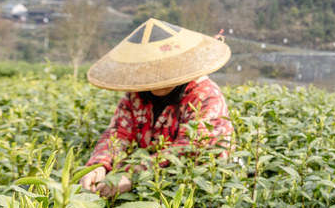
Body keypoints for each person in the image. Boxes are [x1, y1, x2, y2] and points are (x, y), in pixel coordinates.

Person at [79, 18, 234, 197]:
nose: (157, 75)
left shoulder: (205, 96)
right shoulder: (135, 96)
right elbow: (119, 133)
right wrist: (99, 165)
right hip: (150, 185)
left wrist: (132, 175)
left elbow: (188, 149)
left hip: (201, 190)